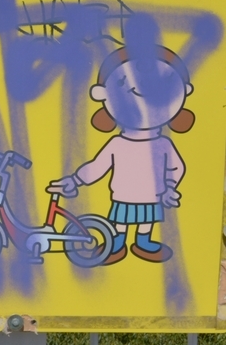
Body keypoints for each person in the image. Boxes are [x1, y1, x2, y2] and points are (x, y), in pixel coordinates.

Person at [48, 45, 194, 265]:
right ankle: (116, 244)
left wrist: (170, 187)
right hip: (123, 195)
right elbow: (97, 166)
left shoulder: (163, 144)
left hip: (152, 195)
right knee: (120, 223)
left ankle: (142, 242)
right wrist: (76, 180)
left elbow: (176, 167)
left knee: (146, 221)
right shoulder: (117, 144)